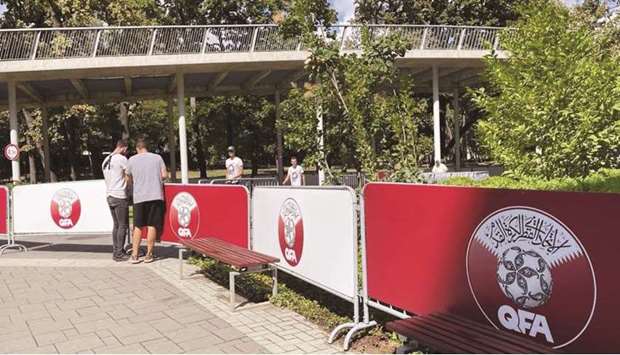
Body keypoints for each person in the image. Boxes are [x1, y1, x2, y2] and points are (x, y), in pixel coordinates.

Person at [126, 138, 167, 264]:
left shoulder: (131, 160)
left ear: (137, 148)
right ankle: (149, 254)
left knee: (137, 226)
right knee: (152, 225)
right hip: (155, 195)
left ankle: (134, 255)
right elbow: (165, 175)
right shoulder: (157, 158)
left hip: (139, 197)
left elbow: (128, 178)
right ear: (146, 147)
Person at [102, 139, 129, 261]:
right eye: (126, 150)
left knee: (116, 225)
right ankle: (119, 253)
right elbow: (129, 174)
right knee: (123, 225)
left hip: (109, 194)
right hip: (119, 195)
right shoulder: (122, 159)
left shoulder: (106, 159)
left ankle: (116, 250)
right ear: (123, 148)